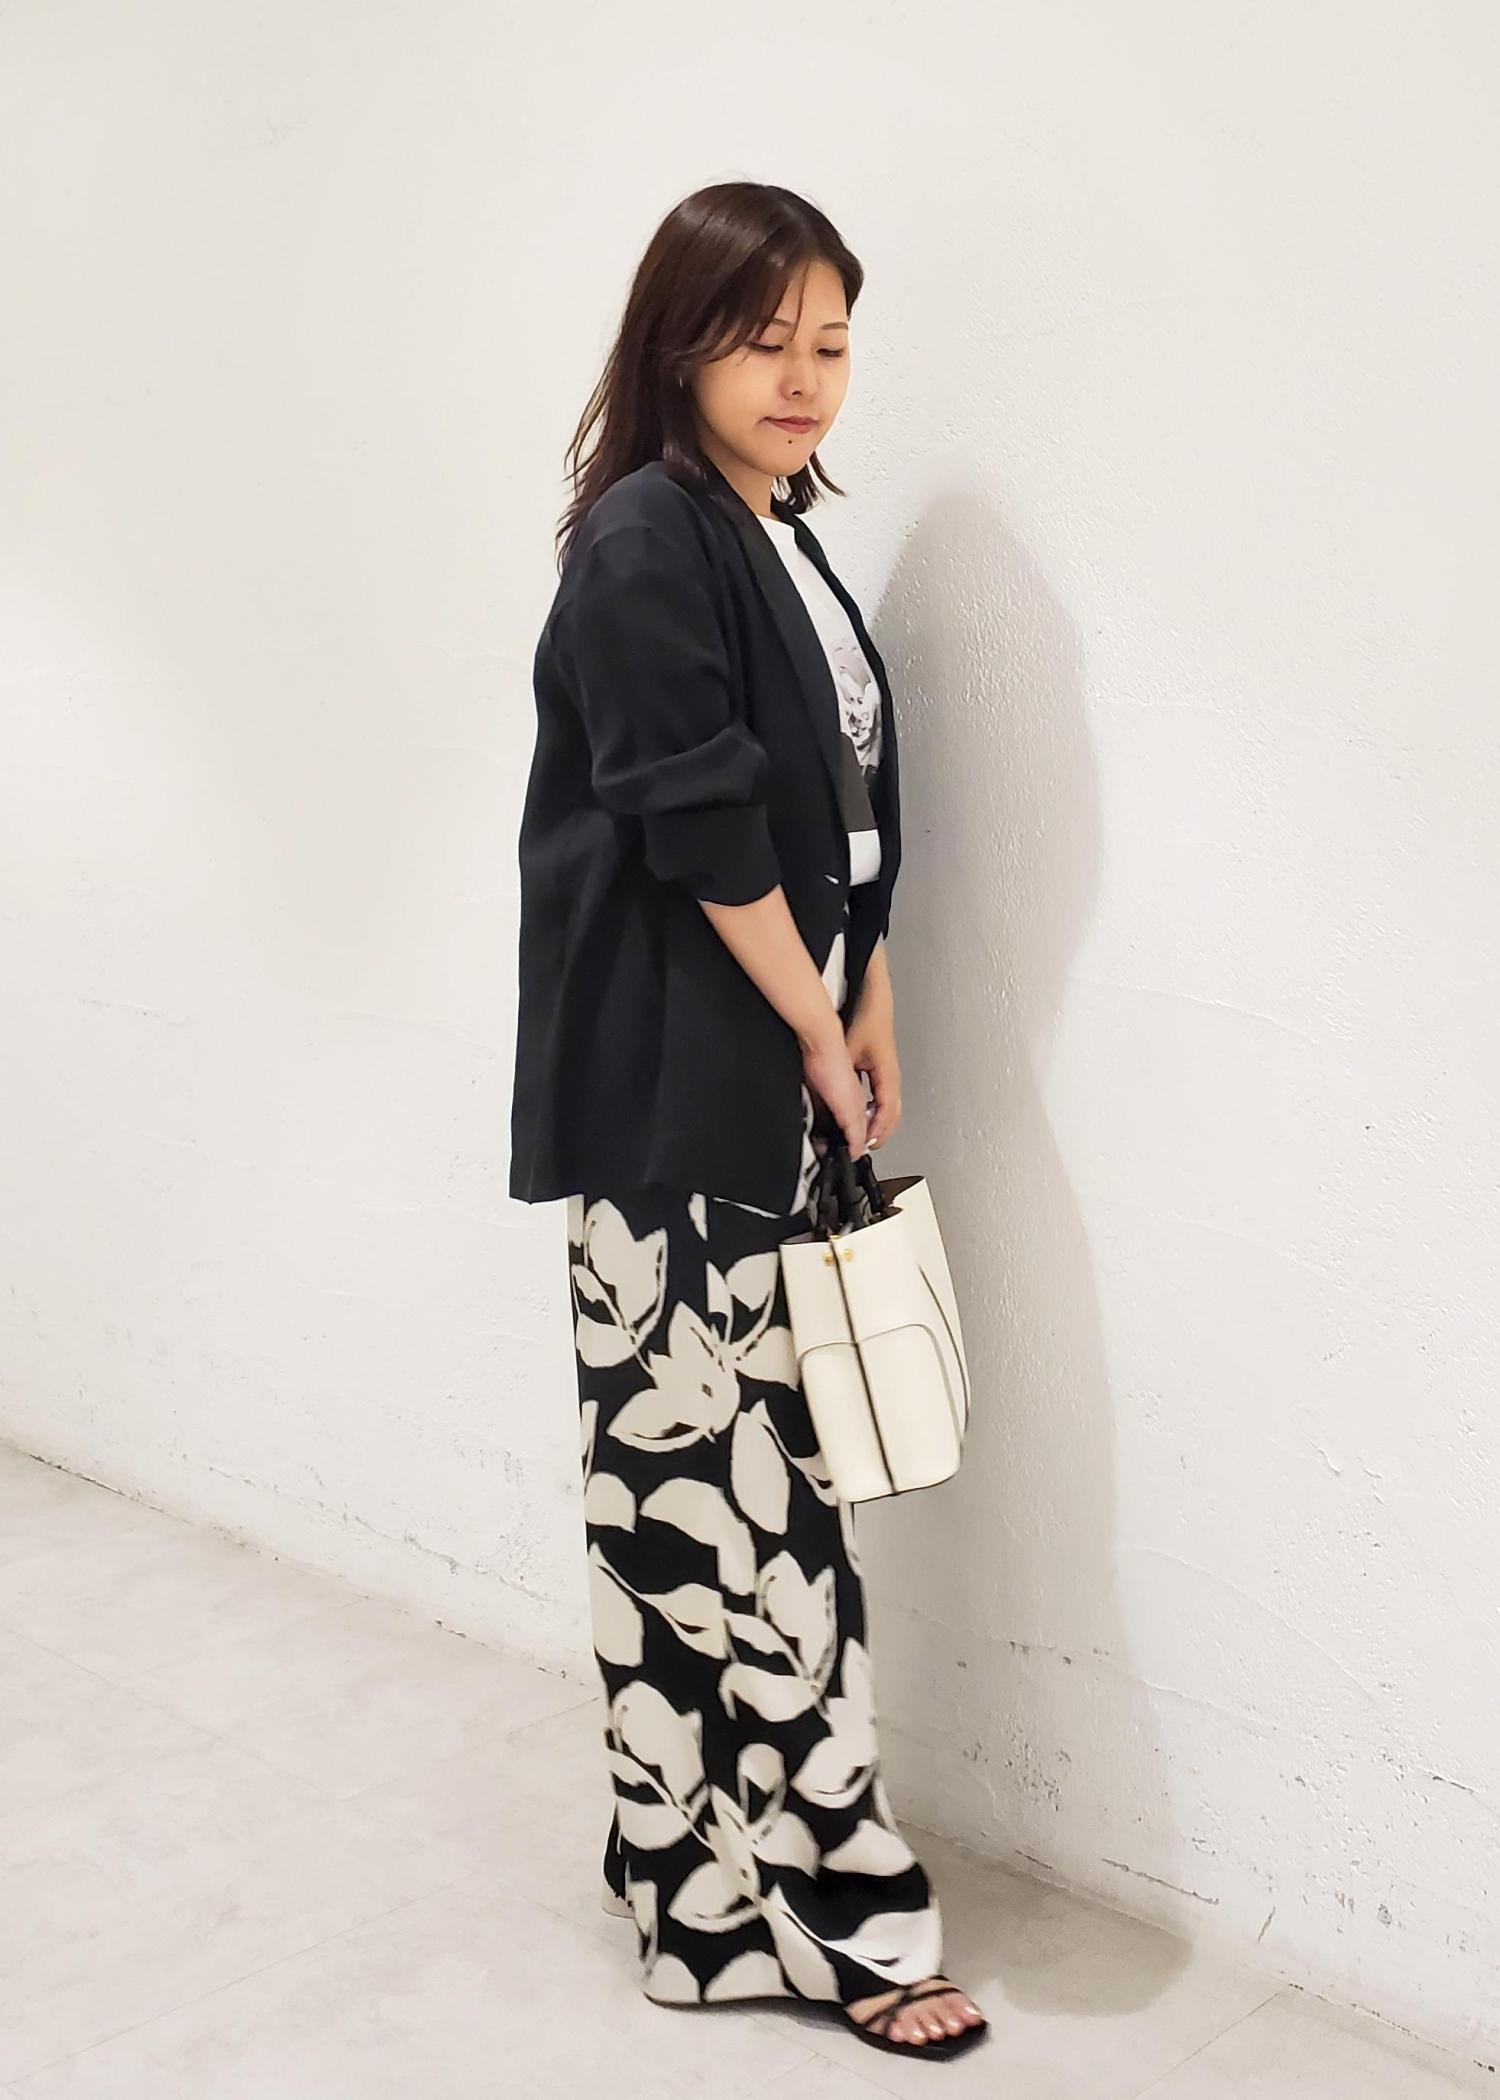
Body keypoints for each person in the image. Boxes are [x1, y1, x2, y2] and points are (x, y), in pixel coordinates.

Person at [508, 180, 989, 2060]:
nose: (805, 377)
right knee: (728, 1513)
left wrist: (869, 997)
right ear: (679, 342)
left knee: (728, 1494)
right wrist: (810, 1015)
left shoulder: (776, 533)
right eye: (764, 337)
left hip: (766, 1071)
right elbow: (698, 820)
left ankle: (696, 1891)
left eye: (833, 341)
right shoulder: (649, 533)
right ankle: (824, 1911)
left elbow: (842, 819)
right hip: (676, 1093)